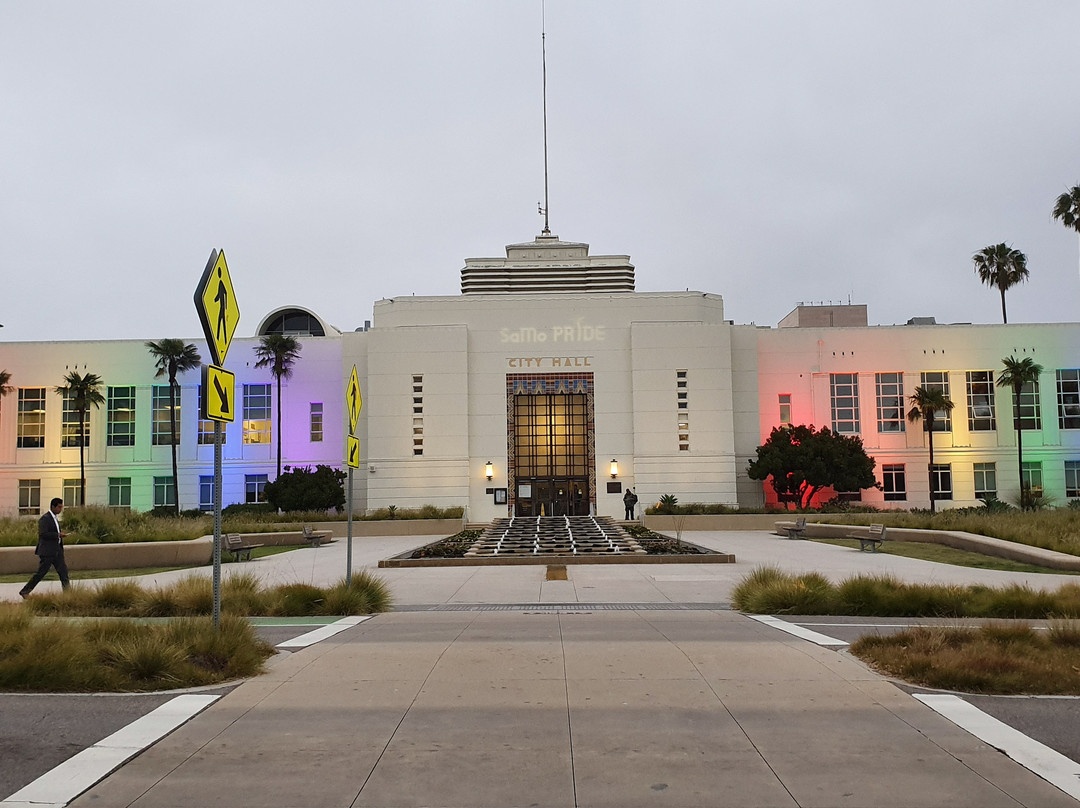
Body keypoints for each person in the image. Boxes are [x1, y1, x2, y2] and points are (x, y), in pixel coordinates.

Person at [19, 497, 70, 598]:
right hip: (47, 552)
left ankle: (68, 595)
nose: (60, 509)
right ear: (53, 506)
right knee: (41, 573)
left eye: (61, 507)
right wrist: (58, 535)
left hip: (57, 551)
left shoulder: (55, 519)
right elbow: (43, 534)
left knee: (64, 573)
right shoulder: (45, 519)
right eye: (59, 507)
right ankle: (25, 591)